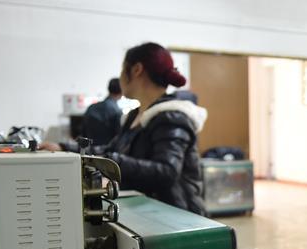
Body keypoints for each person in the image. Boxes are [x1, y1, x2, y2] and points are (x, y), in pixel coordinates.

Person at [45, 42, 207, 215]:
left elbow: (167, 171)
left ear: (136, 70)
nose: (121, 77)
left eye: (123, 70)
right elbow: (111, 149)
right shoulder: (135, 115)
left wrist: (113, 161)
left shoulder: (171, 117)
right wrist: (64, 148)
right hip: (148, 212)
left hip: (177, 217)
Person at [81, 78, 122, 146]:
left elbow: (83, 133)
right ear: (122, 91)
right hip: (107, 153)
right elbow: (118, 138)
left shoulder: (91, 108)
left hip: (89, 152)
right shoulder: (117, 112)